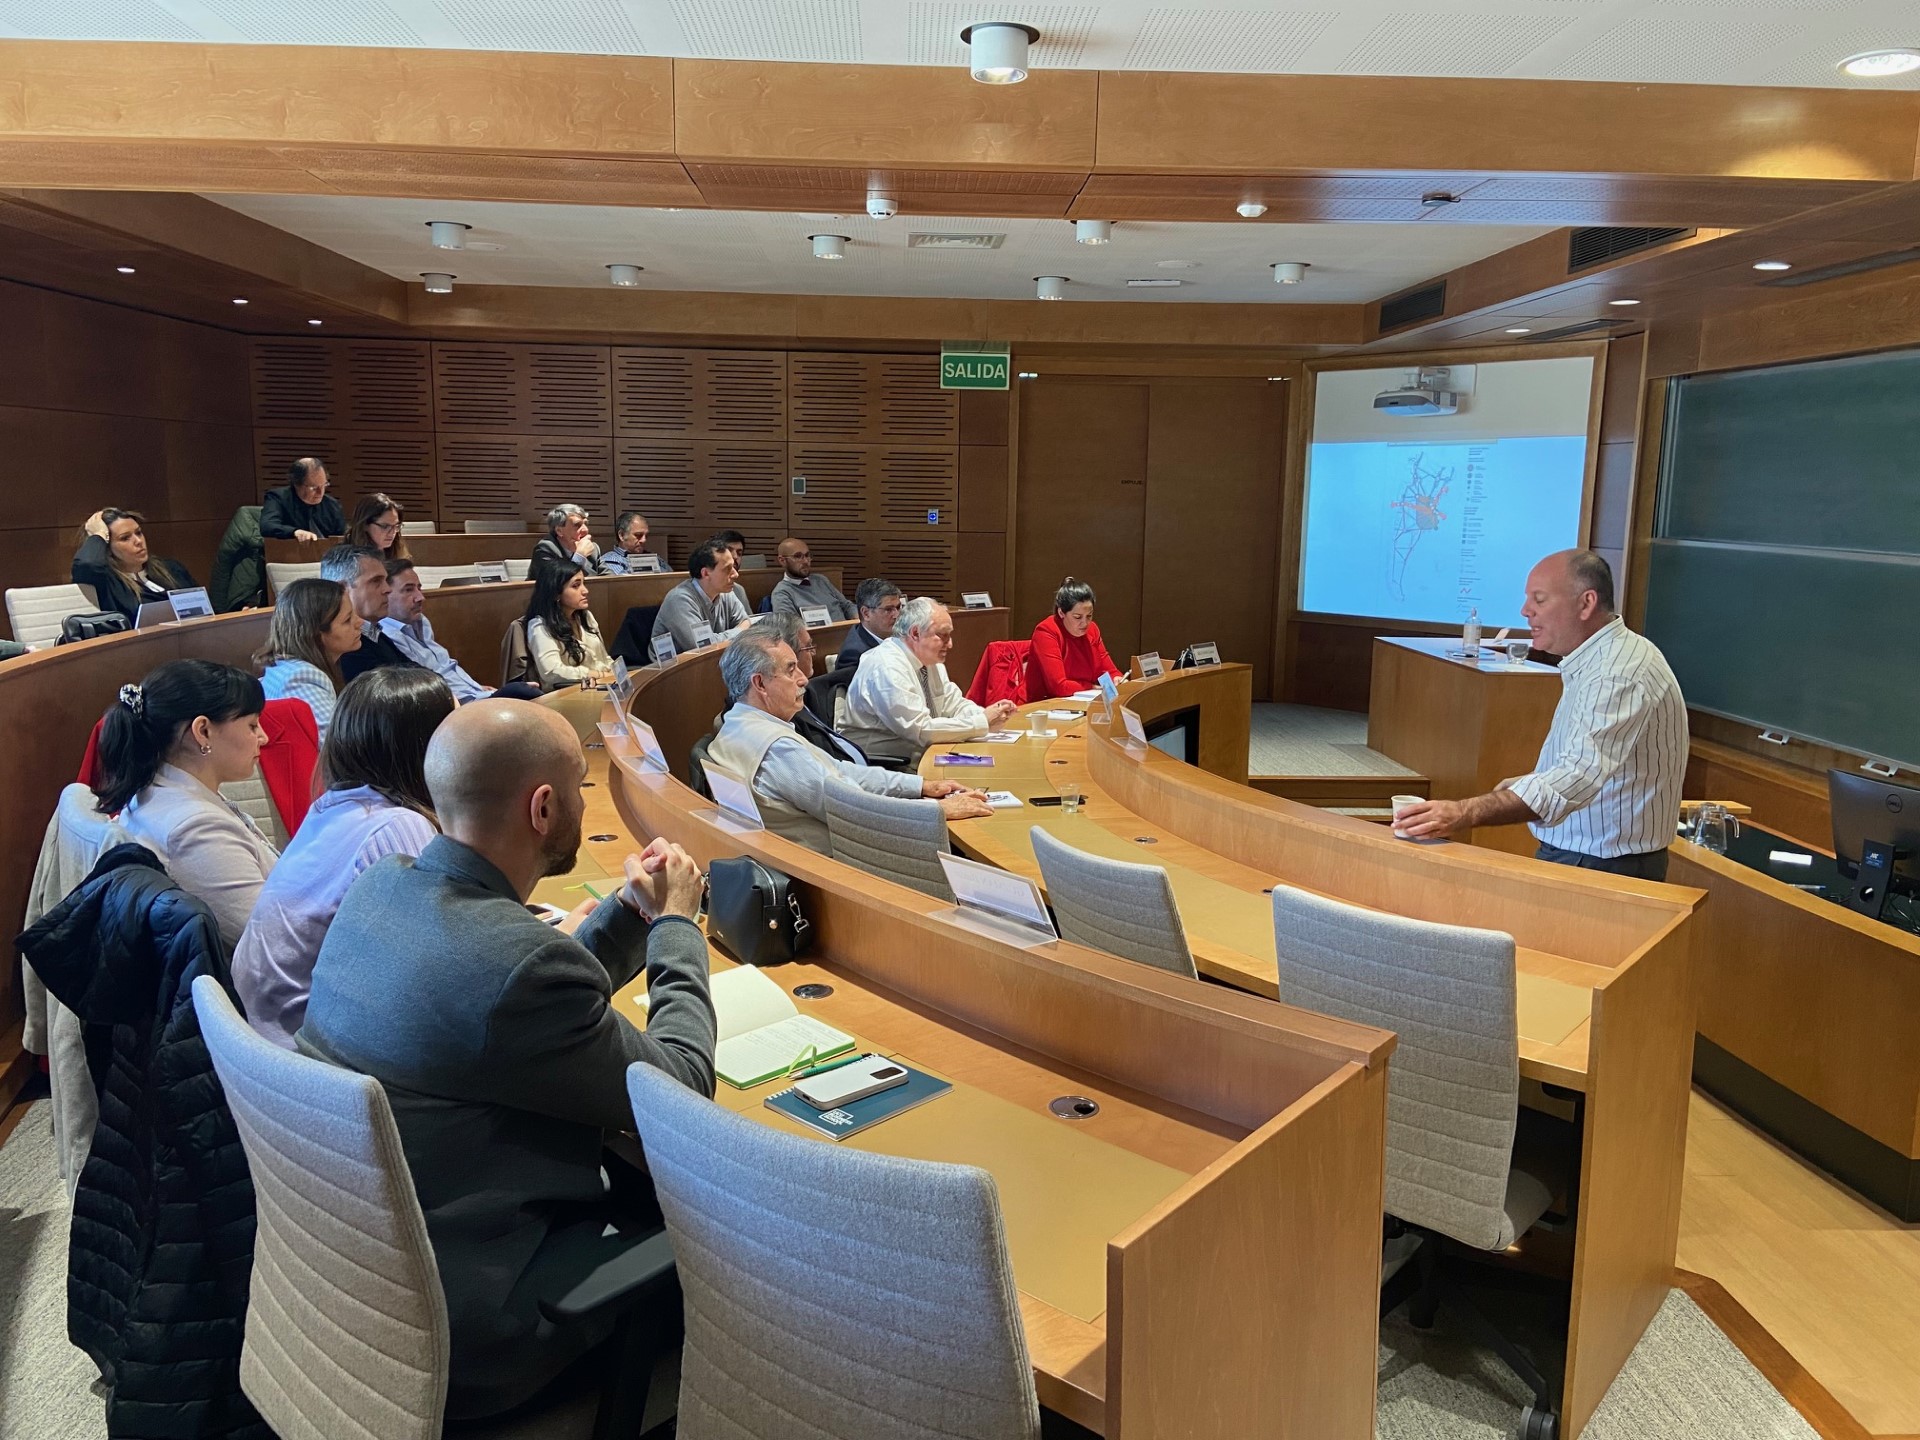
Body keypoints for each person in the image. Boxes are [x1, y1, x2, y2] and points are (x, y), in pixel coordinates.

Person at [296, 699, 715, 1419]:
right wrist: (678, 925)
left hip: (359, 1289)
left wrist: (630, 914)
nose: (586, 800)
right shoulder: (515, 968)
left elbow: (507, 1014)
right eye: (582, 786)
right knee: (753, 1270)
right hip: (485, 1330)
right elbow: (680, 1095)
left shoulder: (383, 887)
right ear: (544, 808)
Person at [1395, 549, 1687, 881]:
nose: (1525, 611)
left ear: (1586, 603)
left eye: (1539, 599)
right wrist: (1528, 784)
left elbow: (1577, 775)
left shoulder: (1617, 672)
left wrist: (1463, 812)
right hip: (1589, 854)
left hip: (1602, 863)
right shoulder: (1604, 657)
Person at [233, 669, 454, 1049]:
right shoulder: (399, 826)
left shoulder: (333, 807)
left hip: (267, 1046)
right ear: (426, 746)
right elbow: (438, 974)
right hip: (318, 1059)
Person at [709, 627, 993, 851]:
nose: (803, 679)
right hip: (836, 862)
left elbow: (839, 771)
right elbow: (853, 810)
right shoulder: (778, 749)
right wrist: (938, 809)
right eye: (790, 669)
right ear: (759, 683)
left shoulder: (737, 722)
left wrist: (921, 786)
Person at [91, 659, 279, 948]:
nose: (263, 737)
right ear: (203, 731)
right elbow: (272, 940)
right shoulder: (195, 829)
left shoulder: (161, 789)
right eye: (252, 725)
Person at [844, 597, 1017, 763]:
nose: (950, 644)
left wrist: (987, 715)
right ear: (915, 633)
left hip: (921, 753)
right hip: (883, 764)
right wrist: (982, 722)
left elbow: (954, 704)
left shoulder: (929, 660)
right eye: (943, 635)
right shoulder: (887, 667)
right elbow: (920, 730)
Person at [255, 577, 362, 739]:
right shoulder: (301, 678)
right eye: (347, 620)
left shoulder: (286, 667)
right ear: (315, 634)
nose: (359, 622)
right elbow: (340, 747)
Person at [71, 508, 196, 622]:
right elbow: (87, 564)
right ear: (107, 548)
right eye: (125, 538)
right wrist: (99, 535)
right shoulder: (107, 583)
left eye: (139, 532)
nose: (138, 541)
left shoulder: (171, 569)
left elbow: (205, 610)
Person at [321, 543, 417, 682]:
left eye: (385, 580)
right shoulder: (343, 647)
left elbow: (417, 671)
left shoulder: (374, 633)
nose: (387, 589)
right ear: (343, 588)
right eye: (376, 581)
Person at [651, 541, 751, 661]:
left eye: (734, 567)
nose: (735, 574)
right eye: (727, 569)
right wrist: (740, 631)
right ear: (705, 573)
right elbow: (703, 647)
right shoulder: (679, 600)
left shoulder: (725, 592)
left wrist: (740, 630)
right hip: (670, 671)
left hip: (712, 662)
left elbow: (747, 623)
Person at [1028, 576, 1124, 699]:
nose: (1085, 623)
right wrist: (1093, 688)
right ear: (1061, 612)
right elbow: (1059, 686)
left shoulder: (1092, 629)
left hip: (1081, 701)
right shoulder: (1046, 631)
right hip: (1040, 704)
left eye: (1089, 616)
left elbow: (1108, 669)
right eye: (1078, 617)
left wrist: (1117, 679)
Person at [525, 562, 614, 689]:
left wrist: (618, 672)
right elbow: (552, 672)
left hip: (601, 686)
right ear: (556, 593)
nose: (585, 591)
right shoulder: (540, 626)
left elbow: (604, 658)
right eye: (576, 586)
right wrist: (597, 674)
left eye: (584, 583)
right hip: (567, 693)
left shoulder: (586, 617)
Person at [769, 537, 856, 623]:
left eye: (807, 555)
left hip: (847, 631)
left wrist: (857, 618)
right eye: (798, 556)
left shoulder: (821, 580)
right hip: (818, 636)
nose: (806, 561)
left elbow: (847, 606)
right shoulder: (781, 593)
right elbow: (790, 629)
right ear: (782, 560)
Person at [260, 457, 346, 542]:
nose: (320, 492)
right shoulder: (278, 498)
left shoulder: (332, 504)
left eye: (324, 485)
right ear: (297, 484)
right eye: (313, 487)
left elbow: (342, 536)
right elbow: (267, 526)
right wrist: (294, 532)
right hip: (289, 553)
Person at [836, 577, 903, 669]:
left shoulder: (901, 635)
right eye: (888, 609)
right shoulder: (852, 655)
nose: (896, 615)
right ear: (866, 613)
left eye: (898, 607)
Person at [532, 503, 602, 575]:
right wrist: (580, 556)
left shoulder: (593, 549)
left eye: (585, 523)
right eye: (577, 525)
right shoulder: (546, 549)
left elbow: (609, 579)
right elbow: (556, 581)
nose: (585, 530)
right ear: (559, 531)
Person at [347, 491, 410, 561]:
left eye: (396, 526)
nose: (392, 532)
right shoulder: (349, 560)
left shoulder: (395, 555)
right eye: (385, 526)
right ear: (365, 525)